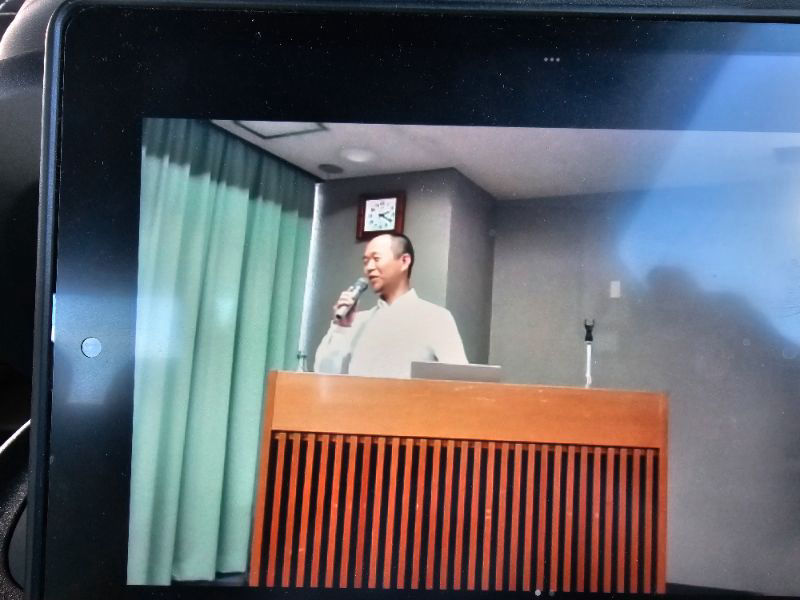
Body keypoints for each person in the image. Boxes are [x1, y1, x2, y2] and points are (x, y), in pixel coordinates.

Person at [314, 233, 467, 378]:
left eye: (376, 258)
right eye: (366, 261)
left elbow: (458, 380)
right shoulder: (357, 321)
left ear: (404, 261)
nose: (369, 267)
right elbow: (325, 374)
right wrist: (341, 328)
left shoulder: (435, 318)